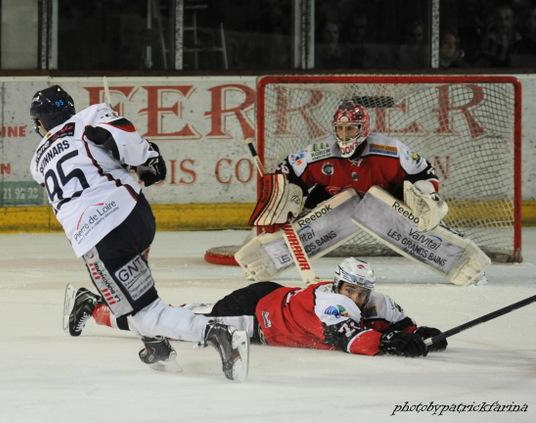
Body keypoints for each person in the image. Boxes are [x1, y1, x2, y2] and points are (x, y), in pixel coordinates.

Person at [29, 85, 249, 381]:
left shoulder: (37, 162)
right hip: (136, 216)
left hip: (100, 238)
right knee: (134, 291)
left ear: (40, 122)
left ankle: (217, 334)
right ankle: (156, 346)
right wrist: (148, 159)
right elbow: (123, 140)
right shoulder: (89, 117)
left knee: (143, 312)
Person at [238, 100, 489, 286]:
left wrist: (424, 193)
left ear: (364, 128)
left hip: (385, 203)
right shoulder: (318, 152)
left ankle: (460, 258)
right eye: (340, 129)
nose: (344, 135)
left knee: (421, 215)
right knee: (306, 215)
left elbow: (425, 173)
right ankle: (269, 255)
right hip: (334, 200)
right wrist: (285, 194)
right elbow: (288, 172)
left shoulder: (390, 150)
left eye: (351, 128)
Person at [68, 257, 447, 357]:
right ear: (338, 285)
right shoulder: (333, 303)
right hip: (254, 315)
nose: (355, 297)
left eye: (360, 292)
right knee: (172, 324)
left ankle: (102, 306)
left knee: (183, 313)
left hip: (270, 300)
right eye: (349, 289)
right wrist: (392, 343)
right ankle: (98, 309)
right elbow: (353, 341)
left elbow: (399, 323)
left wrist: (417, 333)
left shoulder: (376, 301)